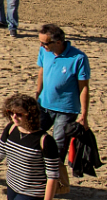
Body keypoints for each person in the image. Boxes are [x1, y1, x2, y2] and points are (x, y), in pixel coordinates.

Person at [35, 23, 90, 165]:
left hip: (66, 110)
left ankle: (55, 182)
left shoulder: (79, 58)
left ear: (58, 42)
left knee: (58, 147)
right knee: (32, 136)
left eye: (45, 43)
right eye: (40, 42)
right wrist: (37, 94)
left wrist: (84, 115)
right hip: (43, 105)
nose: (42, 46)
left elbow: (84, 87)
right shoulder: (44, 52)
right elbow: (41, 72)